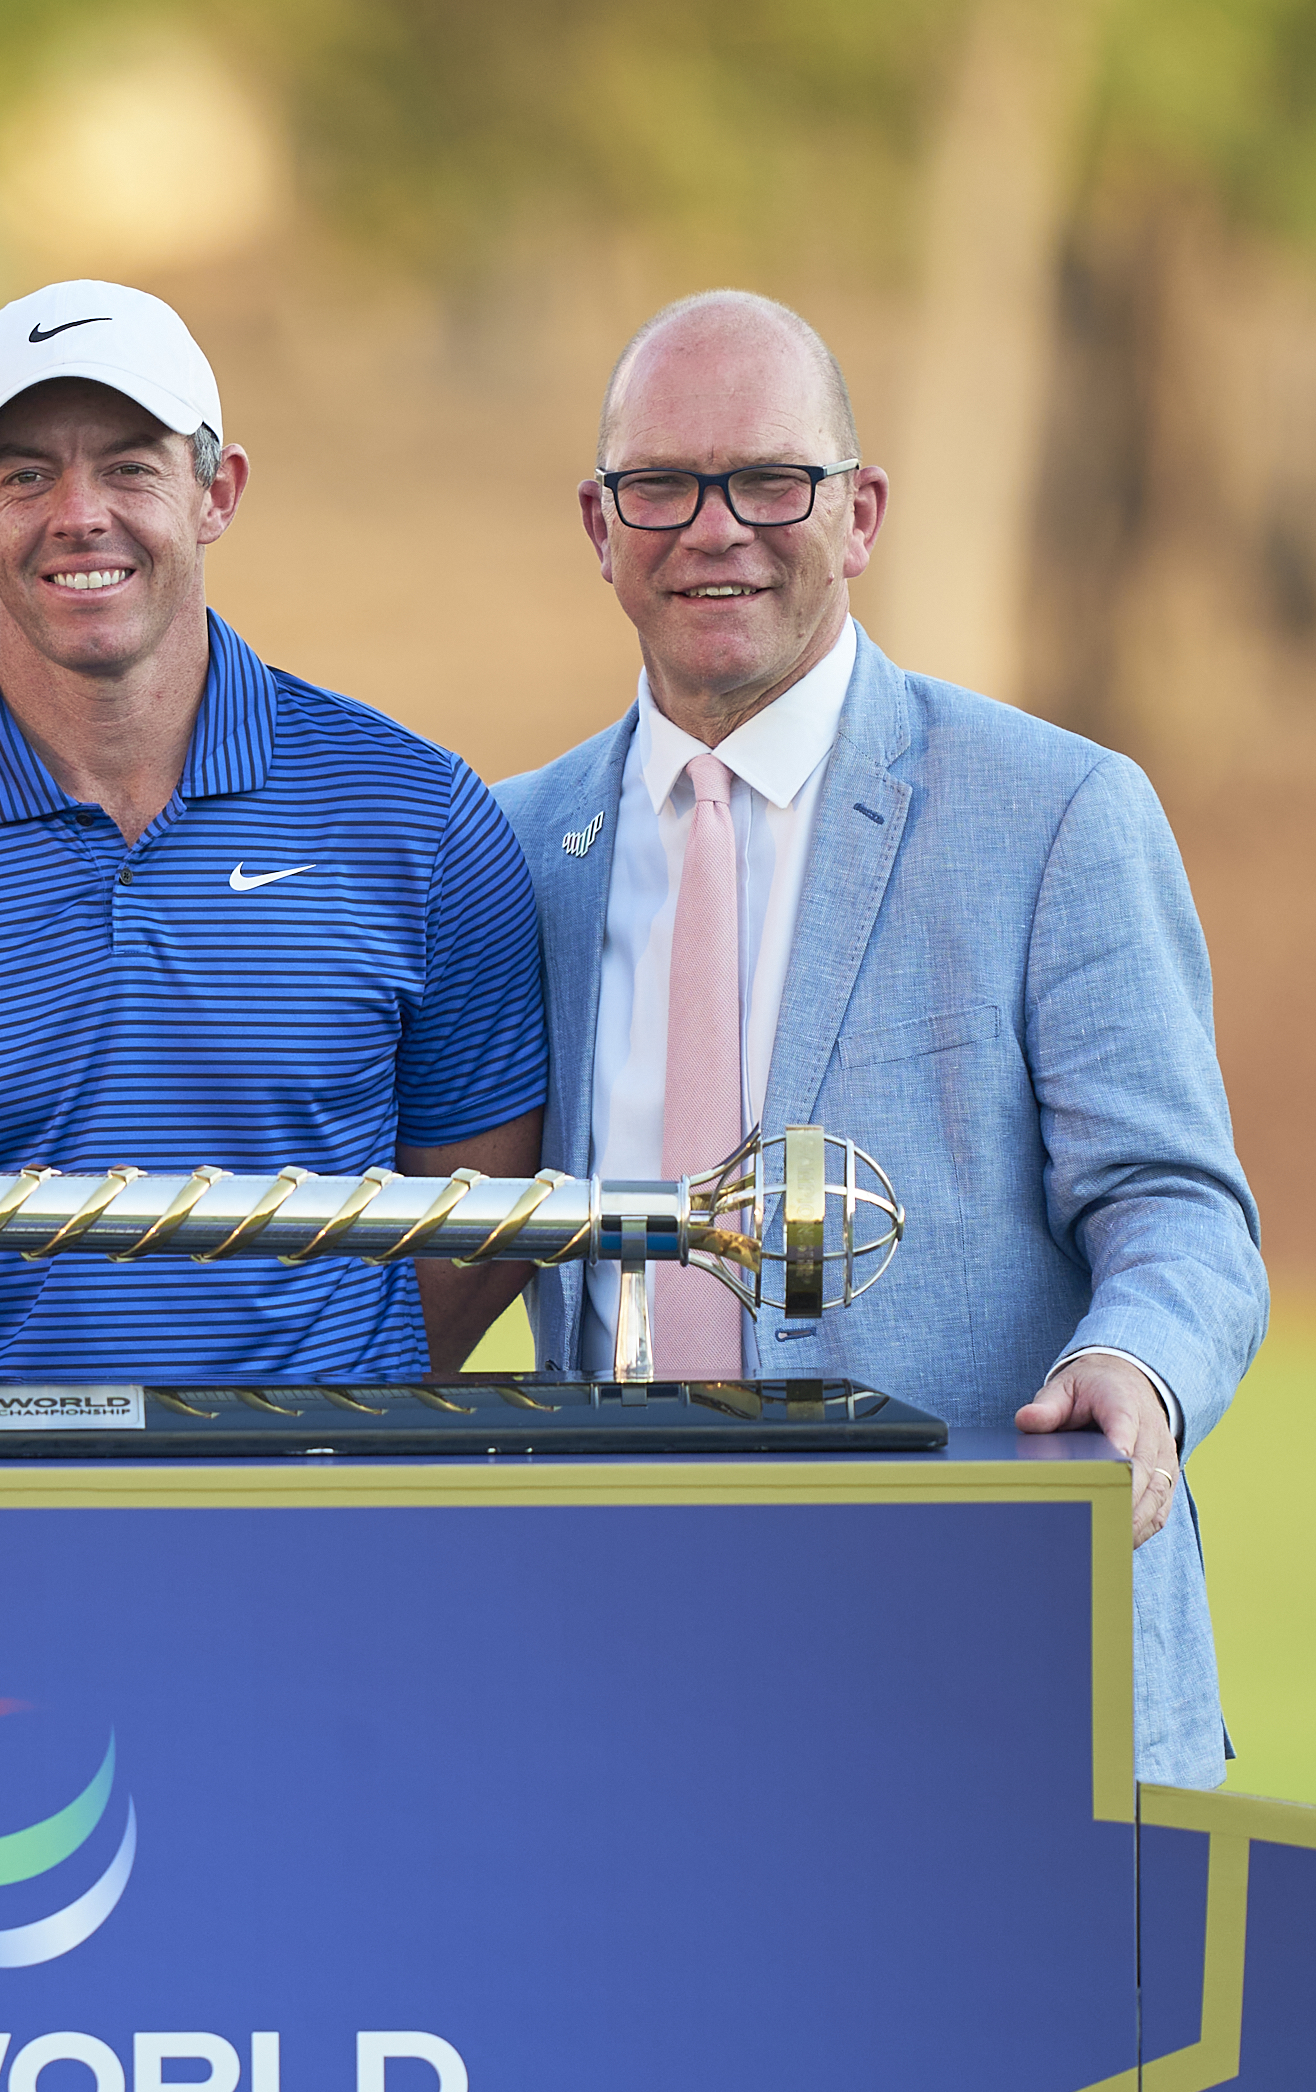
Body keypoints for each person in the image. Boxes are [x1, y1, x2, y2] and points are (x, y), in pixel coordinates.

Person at [495, 289, 1265, 1785]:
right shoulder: (520, 850)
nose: (714, 528)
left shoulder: (1057, 816)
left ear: (859, 514)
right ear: (598, 524)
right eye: (661, 485)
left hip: (1001, 1684)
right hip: (632, 1695)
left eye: (771, 481)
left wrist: (1138, 1365)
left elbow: (1183, 1211)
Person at [0, 282, 548, 1384]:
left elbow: (479, 1223)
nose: (77, 514)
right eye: (23, 473)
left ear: (216, 489)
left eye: (129, 465)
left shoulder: (417, 819)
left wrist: (319, 1415)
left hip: (322, 1523)